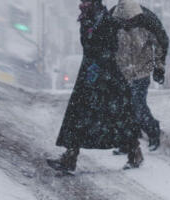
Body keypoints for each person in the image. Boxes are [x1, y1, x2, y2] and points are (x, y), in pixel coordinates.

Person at [46, 0, 143, 174]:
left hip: (107, 76)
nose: (82, 4)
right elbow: (87, 46)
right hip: (88, 75)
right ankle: (70, 157)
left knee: (117, 115)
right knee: (78, 116)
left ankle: (134, 151)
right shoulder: (87, 20)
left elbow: (113, 46)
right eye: (82, 1)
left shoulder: (107, 20)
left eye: (87, 1)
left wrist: (102, 64)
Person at [109, 0, 169, 152]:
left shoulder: (148, 21)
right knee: (121, 108)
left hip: (141, 70)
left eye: (129, 22)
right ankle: (127, 142)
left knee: (137, 105)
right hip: (120, 71)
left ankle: (153, 132)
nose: (126, 25)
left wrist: (159, 68)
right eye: (122, 22)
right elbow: (105, 45)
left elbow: (161, 44)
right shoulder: (111, 20)